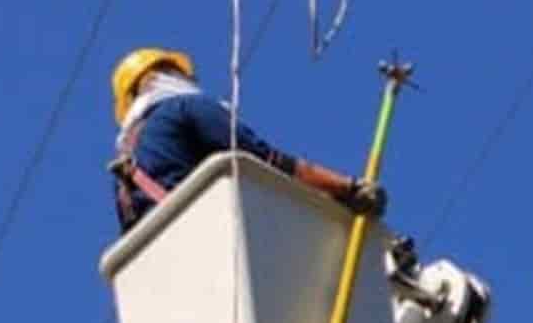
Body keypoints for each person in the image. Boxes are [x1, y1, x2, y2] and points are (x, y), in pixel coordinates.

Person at [107, 47, 386, 233]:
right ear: (163, 76)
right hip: (206, 236)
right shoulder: (185, 107)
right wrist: (348, 188)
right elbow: (265, 160)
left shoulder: (125, 167)